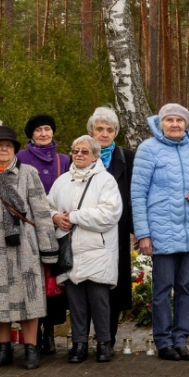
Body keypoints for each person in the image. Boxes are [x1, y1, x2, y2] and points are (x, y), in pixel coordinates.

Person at [0, 125, 60, 370]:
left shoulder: (28, 173)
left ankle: (30, 350)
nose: (3, 149)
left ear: (15, 149)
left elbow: (40, 212)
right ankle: (3, 349)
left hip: (24, 248)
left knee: (29, 298)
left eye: (8, 145)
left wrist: (48, 248)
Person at [132, 104, 189, 362]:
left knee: (186, 287)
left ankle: (181, 340)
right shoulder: (148, 149)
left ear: (186, 124)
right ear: (161, 122)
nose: (174, 124)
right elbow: (138, 195)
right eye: (170, 120)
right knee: (163, 288)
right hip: (161, 229)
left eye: (179, 120)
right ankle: (163, 342)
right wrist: (143, 234)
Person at [49, 134, 123, 363]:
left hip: (97, 250)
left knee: (99, 300)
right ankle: (78, 344)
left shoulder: (106, 180)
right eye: (75, 150)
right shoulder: (62, 181)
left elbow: (109, 214)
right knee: (76, 302)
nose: (79, 154)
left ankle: (103, 343)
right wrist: (55, 217)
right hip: (70, 249)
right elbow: (47, 206)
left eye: (84, 151)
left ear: (94, 156)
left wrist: (74, 216)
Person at [19, 114, 72, 356]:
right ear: (31, 134)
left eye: (47, 129)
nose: (43, 134)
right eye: (38, 130)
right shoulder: (20, 158)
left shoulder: (64, 160)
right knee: (32, 282)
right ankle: (35, 333)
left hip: (58, 228)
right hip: (28, 229)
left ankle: (49, 332)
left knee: (54, 283)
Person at [88, 107, 134, 345]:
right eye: (100, 129)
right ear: (91, 131)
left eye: (110, 129)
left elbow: (134, 197)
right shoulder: (82, 155)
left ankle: (109, 338)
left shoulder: (127, 157)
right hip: (86, 231)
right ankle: (82, 339)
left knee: (113, 283)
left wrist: (137, 230)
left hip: (117, 230)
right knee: (87, 282)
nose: (105, 134)